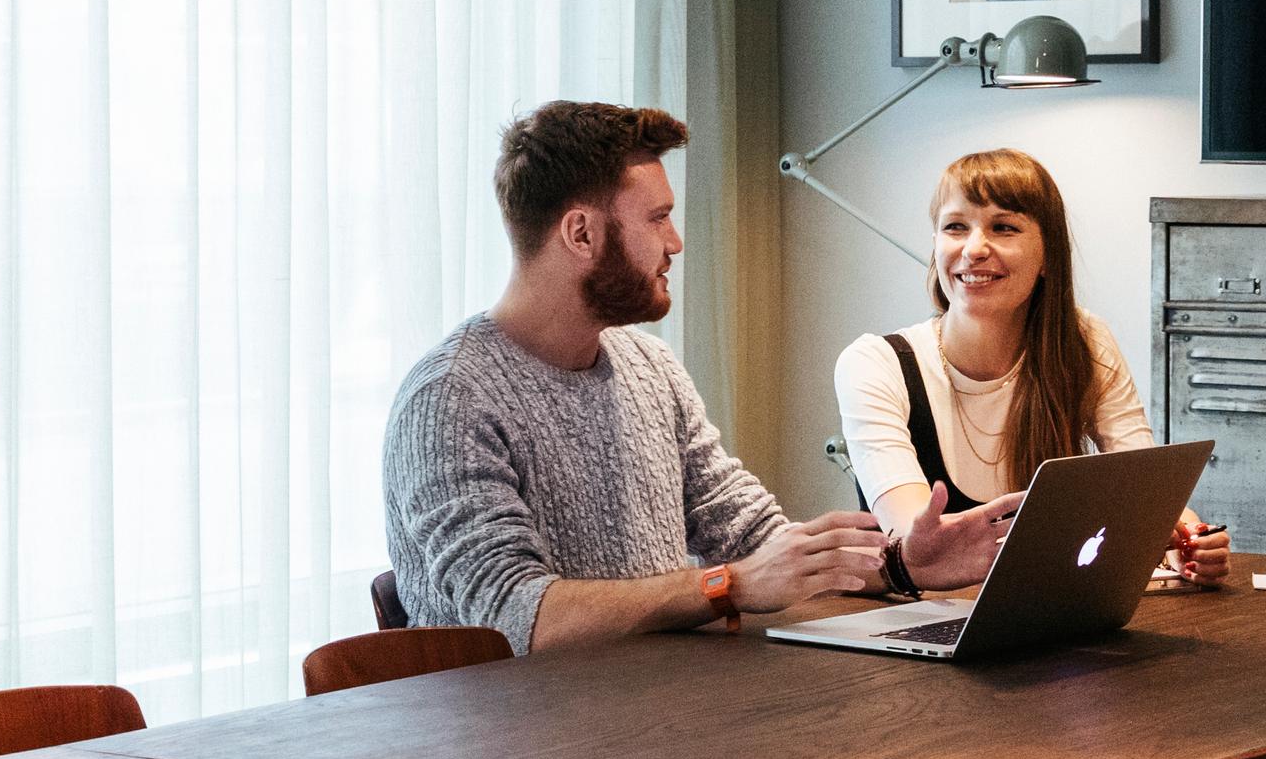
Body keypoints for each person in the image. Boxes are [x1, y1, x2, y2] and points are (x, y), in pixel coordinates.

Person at [384, 102, 1019, 651]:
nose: (677, 241)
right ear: (580, 232)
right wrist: (727, 585)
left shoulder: (649, 367)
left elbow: (755, 538)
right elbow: (516, 618)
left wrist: (904, 564)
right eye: (657, 218)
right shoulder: (449, 400)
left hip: (660, 717)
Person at [832, 147, 1233, 589]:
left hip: (1042, 611)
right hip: (917, 623)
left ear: (1047, 255)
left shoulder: (1084, 341)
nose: (974, 248)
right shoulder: (874, 363)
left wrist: (1191, 540)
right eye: (954, 227)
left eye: (1003, 227)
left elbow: (1149, 486)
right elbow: (915, 541)